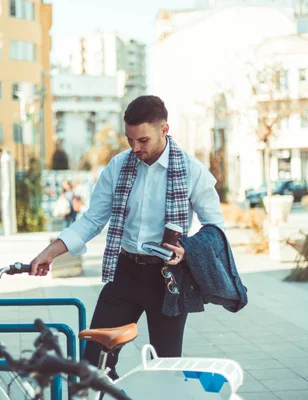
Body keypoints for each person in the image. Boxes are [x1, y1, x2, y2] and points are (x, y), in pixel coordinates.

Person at [29, 95, 226, 378]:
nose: (135, 148)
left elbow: (216, 228)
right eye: (129, 139)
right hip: (126, 275)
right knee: (93, 364)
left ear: (164, 130)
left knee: (165, 370)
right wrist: (50, 252)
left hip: (169, 279)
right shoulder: (118, 166)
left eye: (142, 140)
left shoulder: (193, 172)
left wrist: (190, 248)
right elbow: (93, 220)